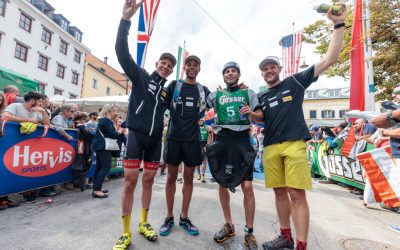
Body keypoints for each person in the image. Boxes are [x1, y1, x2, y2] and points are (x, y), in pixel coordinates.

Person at [255, 6, 346, 250]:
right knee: (279, 193)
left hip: (295, 144)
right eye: (264, 69)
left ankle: (301, 246)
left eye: (272, 66)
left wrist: (338, 25)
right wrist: (251, 114)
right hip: (271, 147)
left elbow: (330, 59)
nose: (268, 71)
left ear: (279, 69)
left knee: (297, 195)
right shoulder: (262, 97)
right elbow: (261, 118)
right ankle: (285, 237)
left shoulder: (295, 81)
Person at [113, 0, 176, 248]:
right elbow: (121, 52)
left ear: (171, 71)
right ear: (157, 64)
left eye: (170, 66)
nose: (166, 66)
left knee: (149, 181)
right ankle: (125, 231)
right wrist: (125, 21)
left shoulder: (167, 92)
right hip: (137, 136)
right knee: (130, 181)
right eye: (163, 63)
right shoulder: (139, 76)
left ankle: (143, 222)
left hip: (155, 141)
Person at [205, 61, 262, 250]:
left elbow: (262, 116)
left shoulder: (249, 92)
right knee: (222, 183)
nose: (230, 74)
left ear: (239, 75)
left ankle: (249, 231)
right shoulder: (216, 94)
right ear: (223, 76)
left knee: (247, 186)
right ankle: (229, 225)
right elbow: (200, 105)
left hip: (241, 140)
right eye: (227, 71)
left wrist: (252, 113)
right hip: (222, 139)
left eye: (233, 71)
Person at [159, 54, 210, 237]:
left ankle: (184, 217)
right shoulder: (174, 86)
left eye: (195, 65)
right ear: (185, 68)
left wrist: (239, 89)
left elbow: (219, 101)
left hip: (193, 140)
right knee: (171, 177)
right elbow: (159, 104)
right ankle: (169, 217)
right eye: (189, 64)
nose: (192, 67)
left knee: (188, 178)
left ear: (199, 69)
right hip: (173, 138)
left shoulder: (203, 90)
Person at [92, 104, 123, 198]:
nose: (115, 113)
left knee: (99, 167)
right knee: (106, 166)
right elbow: (111, 134)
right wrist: (119, 132)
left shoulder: (104, 120)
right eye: (114, 111)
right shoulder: (106, 120)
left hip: (101, 146)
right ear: (108, 111)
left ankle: (96, 188)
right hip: (103, 146)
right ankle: (97, 190)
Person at [196, 118, 212, 182]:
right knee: (197, 162)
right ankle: (199, 174)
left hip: (204, 144)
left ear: (203, 121)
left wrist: (207, 146)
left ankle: (203, 175)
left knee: (204, 161)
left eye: (201, 120)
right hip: (197, 144)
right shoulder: (195, 127)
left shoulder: (207, 127)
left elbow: (209, 137)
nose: (200, 121)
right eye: (199, 120)